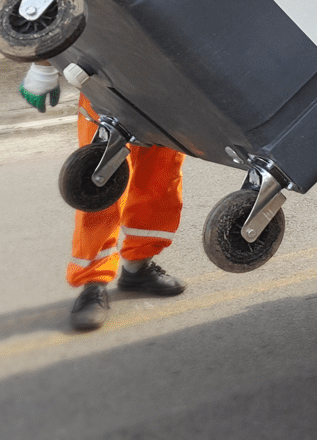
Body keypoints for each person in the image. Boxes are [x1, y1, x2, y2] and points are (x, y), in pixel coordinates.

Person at [18, 63, 189, 331]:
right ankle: (92, 283)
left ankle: (138, 267)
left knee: (160, 178)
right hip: (105, 80)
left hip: (166, 83)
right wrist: (43, 65)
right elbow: (67, 19)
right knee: (101, 183)